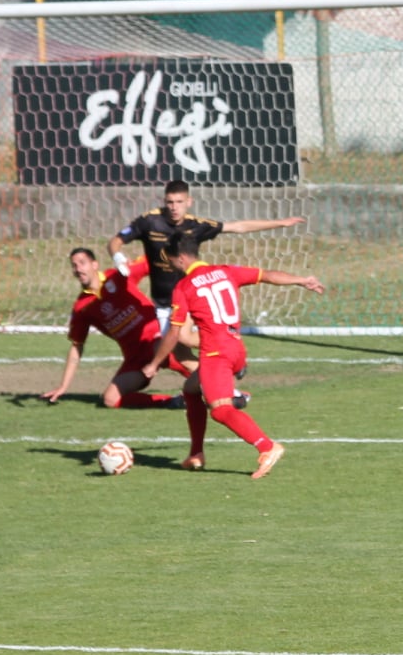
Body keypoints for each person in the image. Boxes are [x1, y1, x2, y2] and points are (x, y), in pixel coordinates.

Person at [143, 235, 324, 479]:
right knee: (191, 389)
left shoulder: (184, 287)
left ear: (182, 257)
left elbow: (175, 333)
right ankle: (196, 453)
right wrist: (302, 280)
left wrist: (154, 364)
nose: (172, 265)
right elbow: (268, 275)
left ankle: (267, 447)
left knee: (220, 410)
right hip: (236, 348)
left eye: (172, 260)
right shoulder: (225, 271)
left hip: (216, 354)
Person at [109, 179, 303, 334]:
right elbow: (115, 242)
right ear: (164, 202)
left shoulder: (196, 225)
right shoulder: (149, 222)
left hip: (192, 296)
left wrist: (279, 223)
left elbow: (238, 227)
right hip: (163, 301)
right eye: (170, 202)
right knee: (176, 351)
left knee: (181, 342)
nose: (174, 207)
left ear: (189, 202)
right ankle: (224, 360)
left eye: (179, 202)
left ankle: (227, 351)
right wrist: (118, 257)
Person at [39, 247, 188, 410]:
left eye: (82, 263)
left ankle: (210, 388)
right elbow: (77, 346)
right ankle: (174, 402)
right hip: (135, 357)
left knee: (193, 370)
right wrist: (63, 386)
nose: (78, 269)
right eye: (74, 265)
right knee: (110, 399)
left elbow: (154, 259)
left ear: (95, 264)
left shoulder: (119, 276)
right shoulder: (82, 307)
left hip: (156, 340)